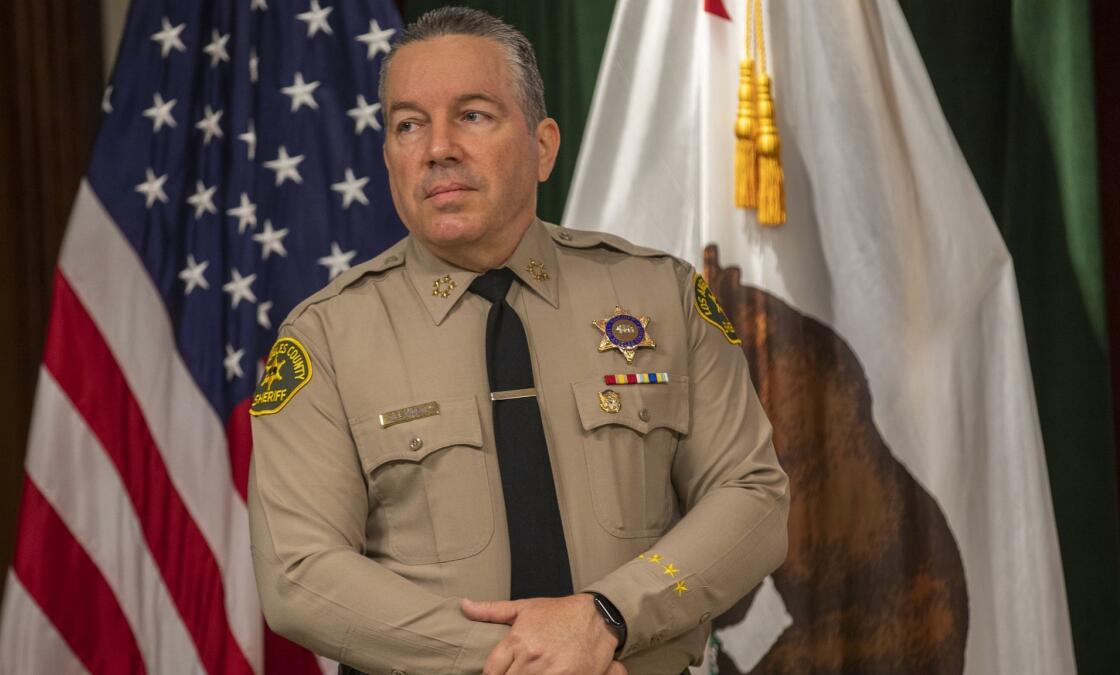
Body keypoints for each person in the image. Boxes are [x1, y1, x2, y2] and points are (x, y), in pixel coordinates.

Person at [247, 8, 789, 675]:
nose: (438, 146)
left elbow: (753, 496)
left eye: (473, 115)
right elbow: (298, 574)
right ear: (388, 155)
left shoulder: (662, 297)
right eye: (408, 124)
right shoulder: (324, 338)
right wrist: (535, 658)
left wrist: (607, 616)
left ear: (543, 145)